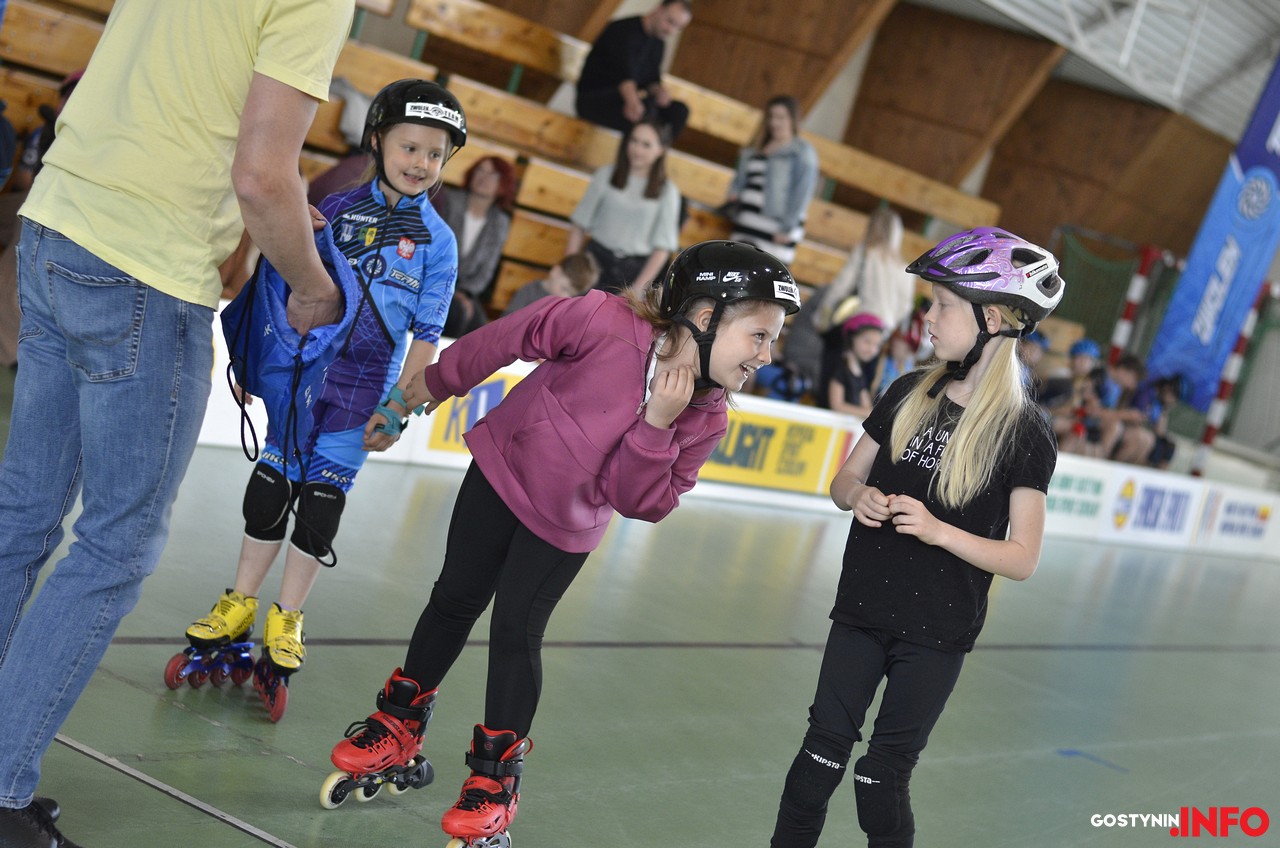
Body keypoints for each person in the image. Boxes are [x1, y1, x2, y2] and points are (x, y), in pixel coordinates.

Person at [0, 0, 354, 844]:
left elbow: (175, 101)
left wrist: (276, 214)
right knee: (115, 546)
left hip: (56, 224)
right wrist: (314, 285)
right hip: (144, 265)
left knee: (22, 517)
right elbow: (260, 176)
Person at [323, 241, 801, 845]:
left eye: (771, 340)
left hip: (564, 526)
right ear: (705, 317)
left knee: (515, 630)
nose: (766, 355)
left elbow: (642, 501)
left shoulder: (706, 417)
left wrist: (657, 424)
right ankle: (398, 725)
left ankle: (494, 782)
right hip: (501, 471)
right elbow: (505, 339)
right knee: (453, 598)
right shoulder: (604, 320)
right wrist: (420, 391)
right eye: (759, 336)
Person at [177, 80, 465, 719]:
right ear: (377, 140)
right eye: (410, 147)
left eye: (435, 154)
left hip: (363, 391)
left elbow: (427, 336)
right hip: (302, 373)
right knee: (268, 489)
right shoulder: (334, 207)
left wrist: (399, 407)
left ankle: (288, 617)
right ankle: (239, 603)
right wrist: (258, 358)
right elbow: (282, 285)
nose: (421, 162)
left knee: (320, 505)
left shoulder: (439, 242)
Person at [769, 227, 1063, 848]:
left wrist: (937, 531)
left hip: (935, 633)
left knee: (879, 781)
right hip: (861, 610)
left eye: (943, 306)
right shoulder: (908, 392)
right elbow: (844, 479)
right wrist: (857, 496)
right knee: (816, 764)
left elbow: (1022, 558)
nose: (927, 318)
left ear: (990, 320)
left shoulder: (1024, 431)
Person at [567, 118, 681, 294]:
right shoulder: (605, 174)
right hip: (593, 262)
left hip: (633, 272)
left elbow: (662, 249)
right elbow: (579, 224)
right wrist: (571, 269)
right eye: (634, 140)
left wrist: (637, 289)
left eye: (646, 144)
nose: (637, 149)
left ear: (661, 150)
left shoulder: (668, 191)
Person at [575, 0, 692, 139]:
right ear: (659, 10)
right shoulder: (623, 30)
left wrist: (659, 92)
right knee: (645, 110)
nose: (671, 30)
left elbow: (651, 80)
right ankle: (642, 146)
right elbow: (623, 75)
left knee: (678, 111)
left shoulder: (658, 43)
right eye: (670, 22)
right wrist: (633, 102)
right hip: (595, 99)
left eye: (678, 27)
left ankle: (658, 149)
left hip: (626, 99)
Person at [725, 95, 820, 266]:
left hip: (775, 228)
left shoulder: (802, 152)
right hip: (745, 223)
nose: (774, 122)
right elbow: (741, 179)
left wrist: (787, 228)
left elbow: (802, 192)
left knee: (770, 273)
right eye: (771, 116)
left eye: (781, 117)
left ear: (793, 119)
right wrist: (734, 192)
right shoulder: (755, 147)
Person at [437, 155, 517, 336]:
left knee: (480, 327)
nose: (484, 178)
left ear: (503, 184)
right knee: (456, 313)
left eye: (493, 175)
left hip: (465, 290)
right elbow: (433, 250)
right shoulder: (450, 201)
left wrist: (464, 293)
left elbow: (486, 270)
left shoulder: (500, 221)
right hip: (435, 278)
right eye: (480, 170)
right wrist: (452, 292)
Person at [502, 250, 600, 315]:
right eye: (564, 289)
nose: (565, 296)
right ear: (556, 272)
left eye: (571, 294)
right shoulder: (530, 291)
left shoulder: (564, 307)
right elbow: (508, 321)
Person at [827, 313, 885, 418]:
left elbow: (866, 404)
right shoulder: (840, 366)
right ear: (851, 338)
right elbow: (837, 405)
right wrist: (868, 414)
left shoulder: (859, 370)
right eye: (867, 342)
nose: (872, 350)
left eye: (877, 345)